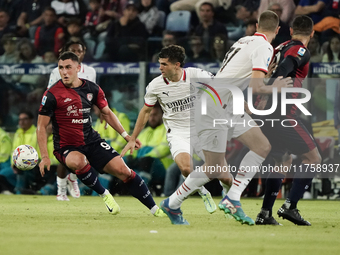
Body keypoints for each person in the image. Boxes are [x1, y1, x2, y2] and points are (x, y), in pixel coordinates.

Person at [157, 11, 292, 225]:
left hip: (227, 103)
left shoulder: (243, 40)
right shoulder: (265, 47)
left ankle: (233, 198)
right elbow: (256, 87)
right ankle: (172, 203)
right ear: (277, 30)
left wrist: (261, 78)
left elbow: (236, 74)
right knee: (214, 167)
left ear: (257, 25)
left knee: (261, 146)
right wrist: (274, 86)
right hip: (213, 106)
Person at [37, 51, 166, 217]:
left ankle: (156, 210)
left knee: (124, 171)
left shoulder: (91, 88)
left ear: (78, 68)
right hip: (65, 146)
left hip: (91, 141)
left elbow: (107, 113)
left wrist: (127, 136)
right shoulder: (51, 94)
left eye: (68, 67)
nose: (64, 72)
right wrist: (45, 156)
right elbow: (41, 126)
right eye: (61, 68)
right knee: (79, 161)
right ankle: (105, 194)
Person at [121, 45, 233, 225]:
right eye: (160, 63)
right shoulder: (155, 85)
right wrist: (133, 138)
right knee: (186, 168)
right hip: (178, 132)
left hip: (202, 130)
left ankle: (228, 198)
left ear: (177, 65)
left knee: (225, 177)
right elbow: (145, 112)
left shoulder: (196, 75)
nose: (160, 68)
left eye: (164, 64)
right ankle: (203, 192)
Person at [254, 15, 321, 226]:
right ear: (312, 33)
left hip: (267, 112)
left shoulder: (279, 46)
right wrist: (272, 88)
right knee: (313, 159)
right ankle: (290, 206)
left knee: (282, 161)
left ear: (290, 31)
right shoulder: (300, 50)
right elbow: (284, 68)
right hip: (282, 114)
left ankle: (265, 213)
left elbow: (267, 70)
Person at [47, 40, 96, 201]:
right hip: (63, 117)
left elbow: (93, 94)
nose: (77, 53)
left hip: (83, 117)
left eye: (79, 50)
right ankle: (61, 191)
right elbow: (50, 94)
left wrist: (100, 111)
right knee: (66, 154)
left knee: (86, 152)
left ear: (84, 51)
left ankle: (72, 179)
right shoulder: (57, 71)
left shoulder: (90, 71)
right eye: (73, 50)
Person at [124, 103, 173, 189]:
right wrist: (131, 156)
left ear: (162, 115)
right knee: (124, 161)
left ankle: (141, 191)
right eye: (150, 116)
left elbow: (164, 149)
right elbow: (134, 147)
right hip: (142, 164)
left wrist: (144, 157)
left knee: (146, 161)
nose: (152, 118)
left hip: (162, 167)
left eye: (155, 115)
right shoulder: (145, 132)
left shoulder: (167, 129)